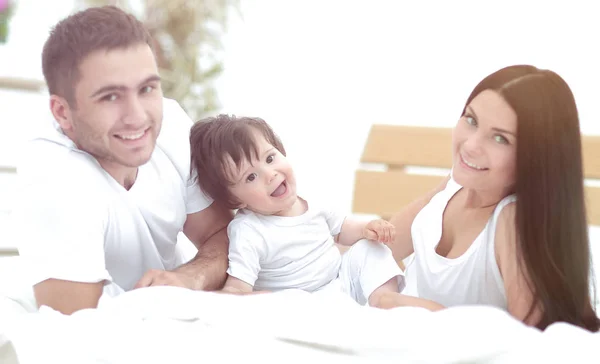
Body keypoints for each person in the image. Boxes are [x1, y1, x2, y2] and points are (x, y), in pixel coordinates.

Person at [10, 6, 232, 315]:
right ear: (63, 112)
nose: (138, 117)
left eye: (147, 88)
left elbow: (226, 235)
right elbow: (75, 333)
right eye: (110, 97)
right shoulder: (54, 179)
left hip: (176, 310)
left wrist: (188, 277)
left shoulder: (171, 125)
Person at [381, 65, 600, 331]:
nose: (471, 145)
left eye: (500, 138)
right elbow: (381, 245)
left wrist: (421, 310)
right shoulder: (453, 187)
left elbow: (532, 344)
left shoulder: (511, 221)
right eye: (471, 120)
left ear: (537, 158)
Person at [189, 115, 405, 307]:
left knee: (369, 248)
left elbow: (342, 229)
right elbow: (238, 286)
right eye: (251, 177)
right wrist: (237, 297)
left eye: (270, 158)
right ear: (235, 199)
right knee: (284, 300)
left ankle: (384, 299)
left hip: (342, 281)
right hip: (305, 303)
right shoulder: (248, 230)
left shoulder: (311, 200)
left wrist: (367, 228)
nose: (270, 174)